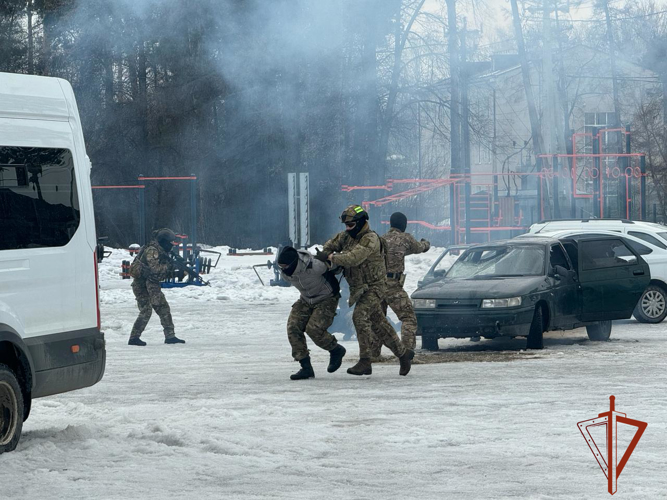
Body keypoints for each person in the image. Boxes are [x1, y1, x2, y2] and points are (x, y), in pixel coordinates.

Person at [319, 205, 413, 376]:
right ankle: (403, 353)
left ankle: (365, 361)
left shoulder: (371, 239)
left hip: (375, 287)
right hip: (358, 288)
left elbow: (353, 258)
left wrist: (332, 257)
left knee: (359, 316)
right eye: (346, 225)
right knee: (380, 325)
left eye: (351, 224)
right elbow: (330, 244)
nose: (347, 228)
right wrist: (327, 254)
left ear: (361, 222)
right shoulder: (346, 236)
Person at [277, 246, 346, 380]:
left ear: (293, 263)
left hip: (327, 298)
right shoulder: (285, 273)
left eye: (284, 266)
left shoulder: (315, 265)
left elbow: (338, 268)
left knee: (314, 329)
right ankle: (305, 367)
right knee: (293, 327)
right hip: (306, 299)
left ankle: (336, 350)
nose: (282, 269)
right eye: (280, 266)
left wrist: (329, 260)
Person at [371, 212, 430, 357]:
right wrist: (426, 244)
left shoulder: (381, 239)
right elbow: (418, 247)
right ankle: (407, 354)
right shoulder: (405, 238)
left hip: (378, 285)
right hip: (393, 285)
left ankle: (373, 354)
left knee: (378, 320)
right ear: (403, 224)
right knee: (408, 318)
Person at [128, 228, 185, 346]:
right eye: (169, 243)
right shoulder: (152, 251)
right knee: (146, 310)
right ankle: (134, 338)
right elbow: (155, 270)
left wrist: (174, 270)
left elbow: (160, 274)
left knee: (163, 308)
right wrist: (169, 266)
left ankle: (170, 336)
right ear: (163, 242)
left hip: (152, 285)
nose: (171, 245)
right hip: (141, 286)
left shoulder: (160, 251)